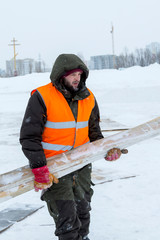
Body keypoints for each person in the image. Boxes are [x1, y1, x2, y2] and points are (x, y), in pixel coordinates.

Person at [20, 54, 123, 240]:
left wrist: (106, 150)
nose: (77, 78)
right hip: (55, 170)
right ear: (60, 76)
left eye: (79, 74)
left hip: (82, 166)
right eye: (72, 74)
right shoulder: (42, 97)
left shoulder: (89, 97)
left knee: (83, 212)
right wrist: (39, 167)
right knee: (67, 220)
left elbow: (94, 133)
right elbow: (29, 137)